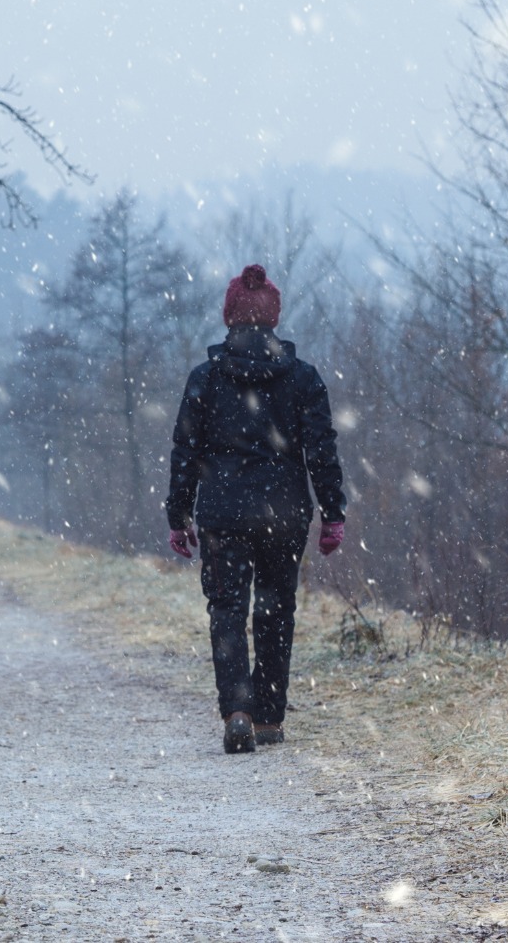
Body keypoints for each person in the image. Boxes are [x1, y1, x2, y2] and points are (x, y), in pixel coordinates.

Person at [166, 263, 345, 754]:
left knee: (227, 609)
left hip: (223, 514)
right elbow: (322, 451)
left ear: (230, 318)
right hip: (284, 515)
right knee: (276, 611)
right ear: (274, 319)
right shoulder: (303, 380)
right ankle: (268, 716)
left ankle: (238, 709)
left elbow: (185, 451)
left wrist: (178, 516)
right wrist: (333, 512)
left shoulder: (205, 379)